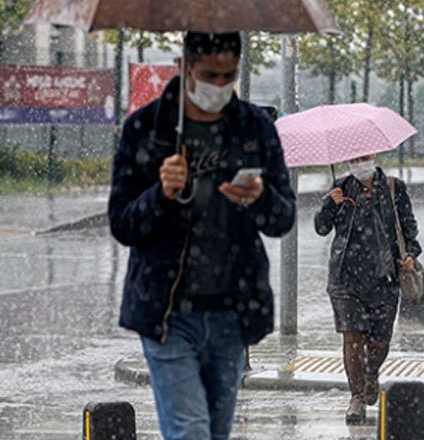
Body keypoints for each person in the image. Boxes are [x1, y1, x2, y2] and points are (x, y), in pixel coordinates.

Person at [108, 31, 295, 440]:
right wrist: (160, 194)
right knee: (190, 430)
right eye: (210, 75)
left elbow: (283, 218)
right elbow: (122, 223)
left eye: (228, 76)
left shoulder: (255, 127)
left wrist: (260, 198)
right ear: (186, 68)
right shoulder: (146, 129)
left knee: (214, 431)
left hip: (231, 312)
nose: (219, 86)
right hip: (166, 314)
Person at [314, 153, 422, 423]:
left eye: (365, 157)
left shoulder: (394, 188)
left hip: (384, 279)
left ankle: (371, 372)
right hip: (345, 279)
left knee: (380, 341)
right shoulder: (340, 187)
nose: (360, 162)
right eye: (355, 158)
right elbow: (321, 228)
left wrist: (410, 254)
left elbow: (409, 227)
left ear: (374, 156)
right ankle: (357, 397)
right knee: (352, 337)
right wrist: (329, 205)